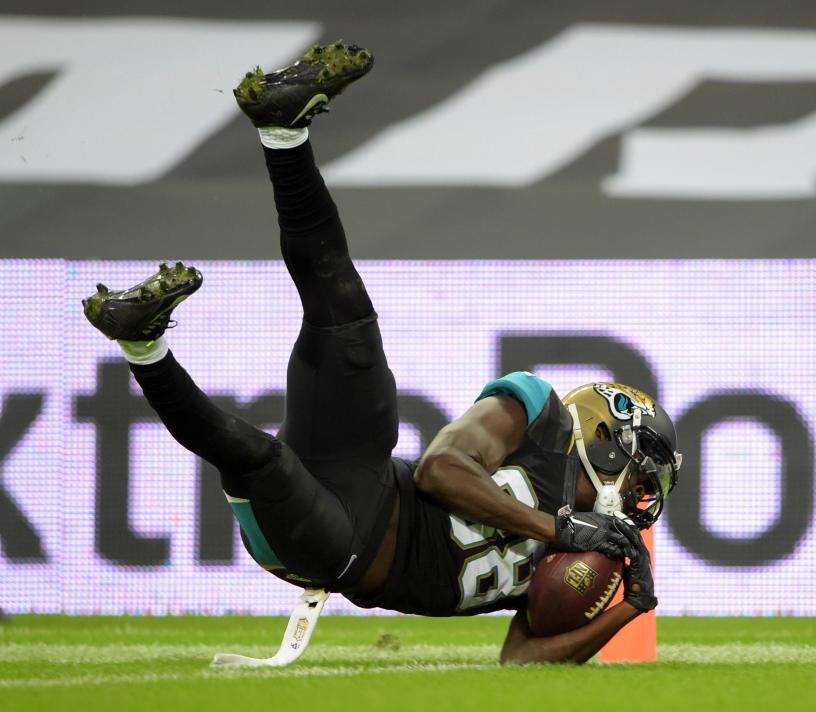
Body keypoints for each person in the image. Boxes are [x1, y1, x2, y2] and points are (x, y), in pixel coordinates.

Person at [81, 40, 681, 664]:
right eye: (643, 469)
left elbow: (520, 664)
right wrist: (556, 527)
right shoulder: (539, 414)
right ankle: (283, 133)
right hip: (368, 473)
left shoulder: (590, 552)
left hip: (344, 549)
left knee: (257, 457)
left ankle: (142, 344)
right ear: (609, 439)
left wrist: (631, 609)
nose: (641, 492)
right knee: (346, 317)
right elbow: (439, 470)